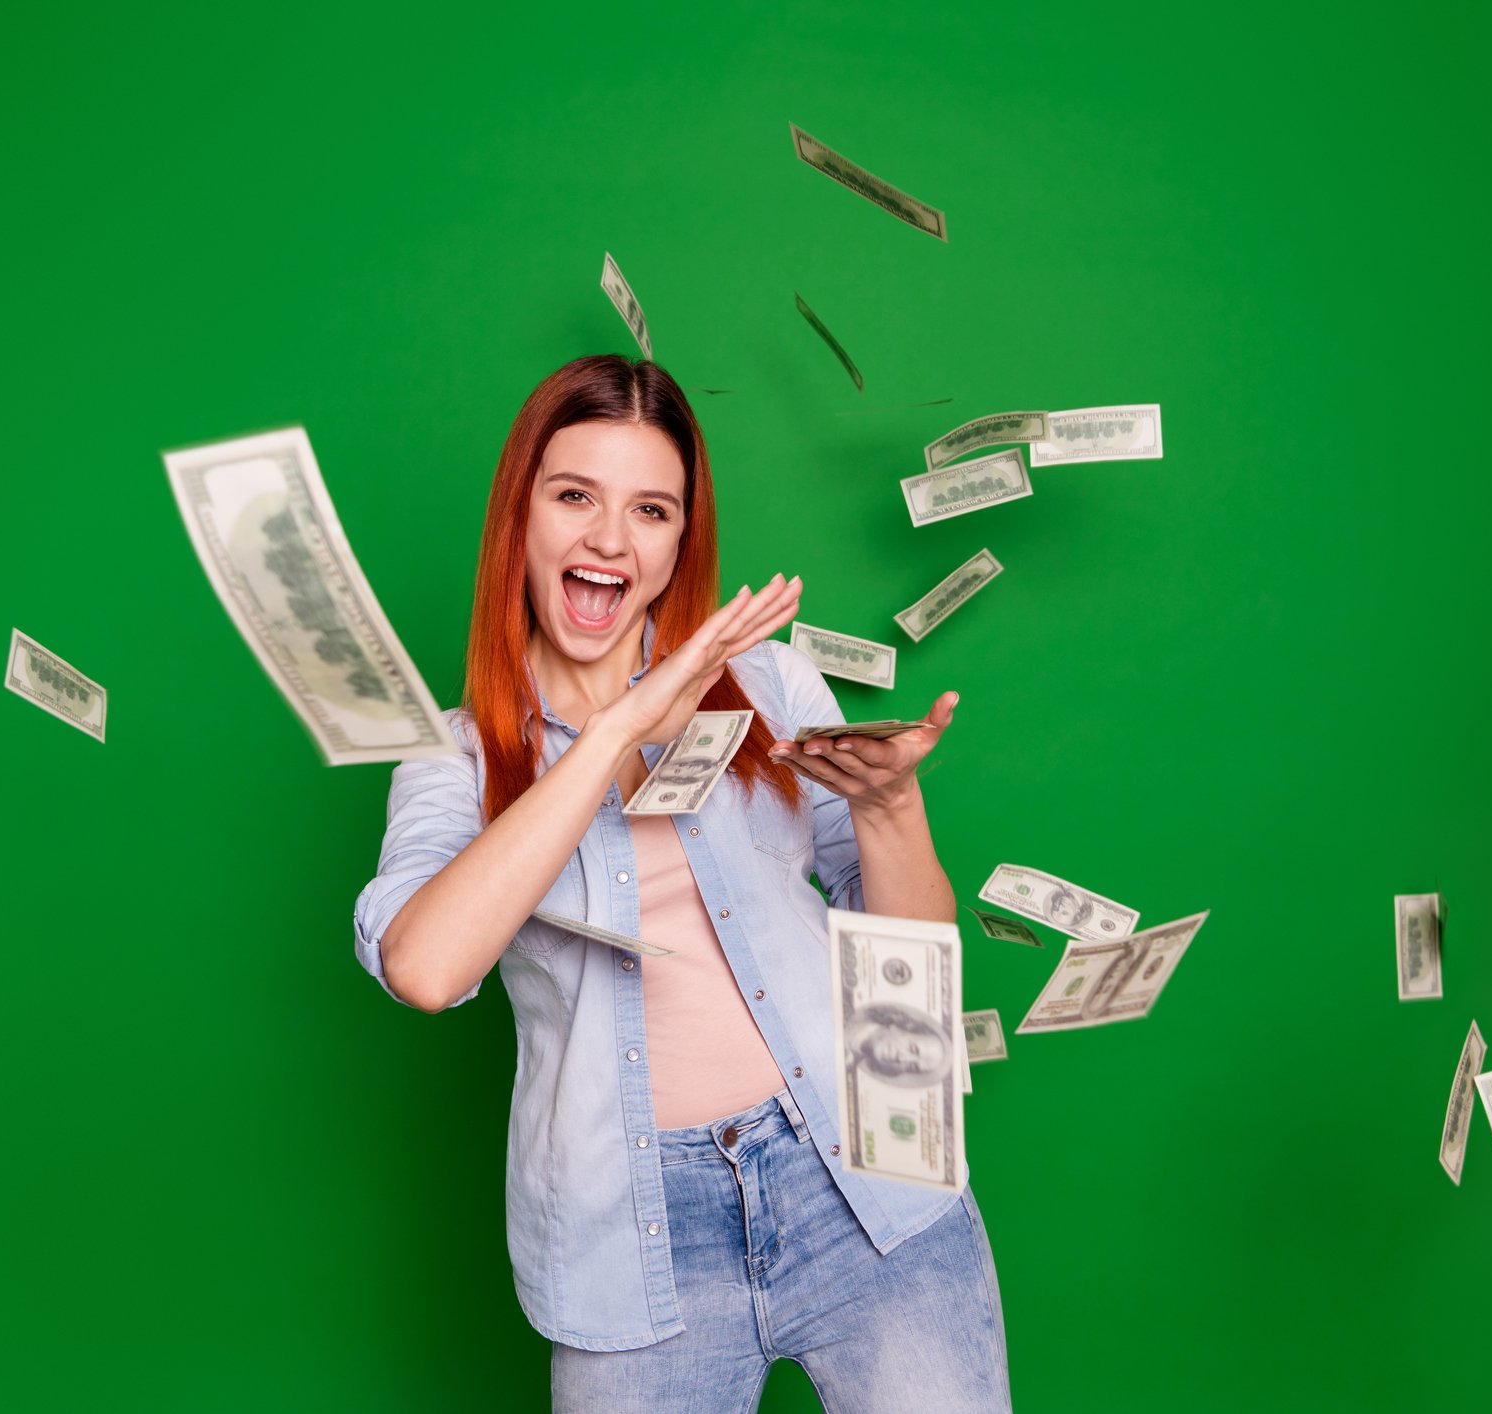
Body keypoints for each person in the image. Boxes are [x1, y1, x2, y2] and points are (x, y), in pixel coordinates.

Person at [354, 354, 1011, 1412]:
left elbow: (912, 966)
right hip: (634, 1238)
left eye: (651, 509)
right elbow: (424, 967)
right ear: (518, 516)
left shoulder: (772, 683)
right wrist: (619, 723)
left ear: (678, 541)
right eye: (575, 496)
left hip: (867, 1168)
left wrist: (892, 809)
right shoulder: (453, 760)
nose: (610, 538)